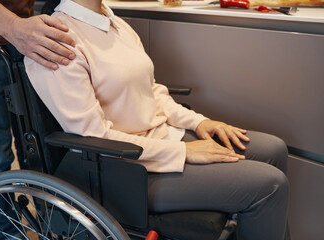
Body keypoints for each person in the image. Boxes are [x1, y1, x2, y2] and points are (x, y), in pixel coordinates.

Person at [24, 0, 290, 239]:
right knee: (269, 185)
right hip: (123, 169)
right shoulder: (56, 41)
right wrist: (182, 151)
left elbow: (151, 92)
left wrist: (197, 122)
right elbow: (93, 135)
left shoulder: (114, 23)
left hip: (159, 139)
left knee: (273, 148)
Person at [0, 0, 76, 238]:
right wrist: (12, 25)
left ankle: (52, 228)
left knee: (41, 147)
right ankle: (10, 235)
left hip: (27, 35)